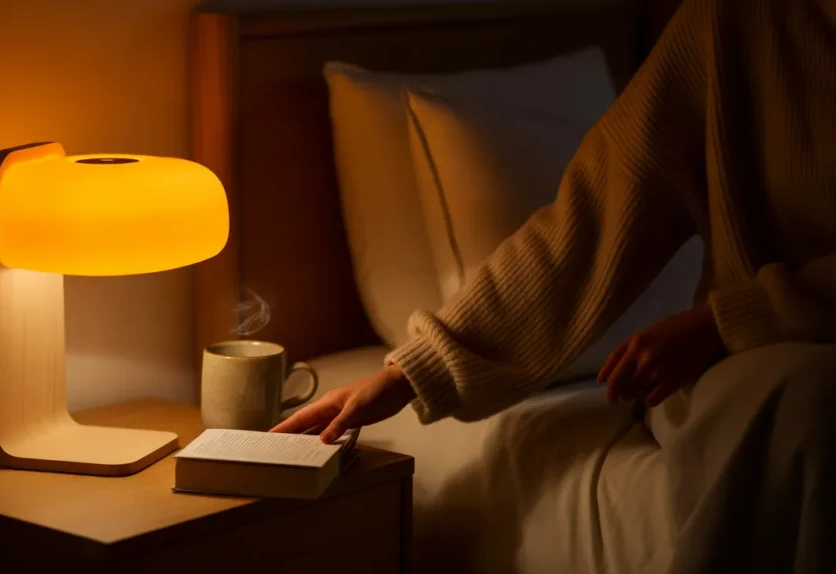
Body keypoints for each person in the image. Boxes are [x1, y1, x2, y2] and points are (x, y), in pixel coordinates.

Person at [276, 0, 836, 570]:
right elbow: (584, 228)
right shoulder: (735, 24)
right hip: (761, 363)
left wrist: (724, 321)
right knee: (814, 400)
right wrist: (413, 373)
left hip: (740, 340)